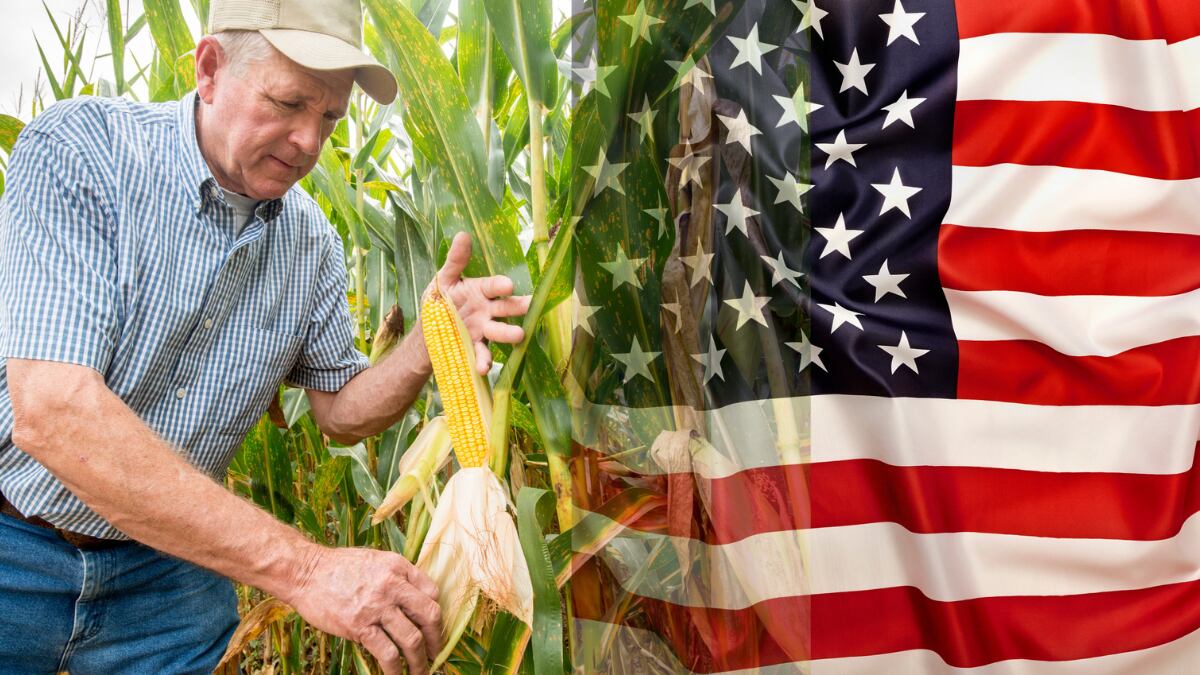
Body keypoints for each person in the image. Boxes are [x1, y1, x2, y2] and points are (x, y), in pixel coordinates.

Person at [0, 0, 529, 673]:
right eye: (287, 103)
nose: (309, 141)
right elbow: (53, 413)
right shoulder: (84, 154)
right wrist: (307, 571)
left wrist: (430, 343)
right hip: (14, 541)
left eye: (330, 119)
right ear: (210, 70)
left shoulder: (312, 244)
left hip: (170, 569)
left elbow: (341, 413)